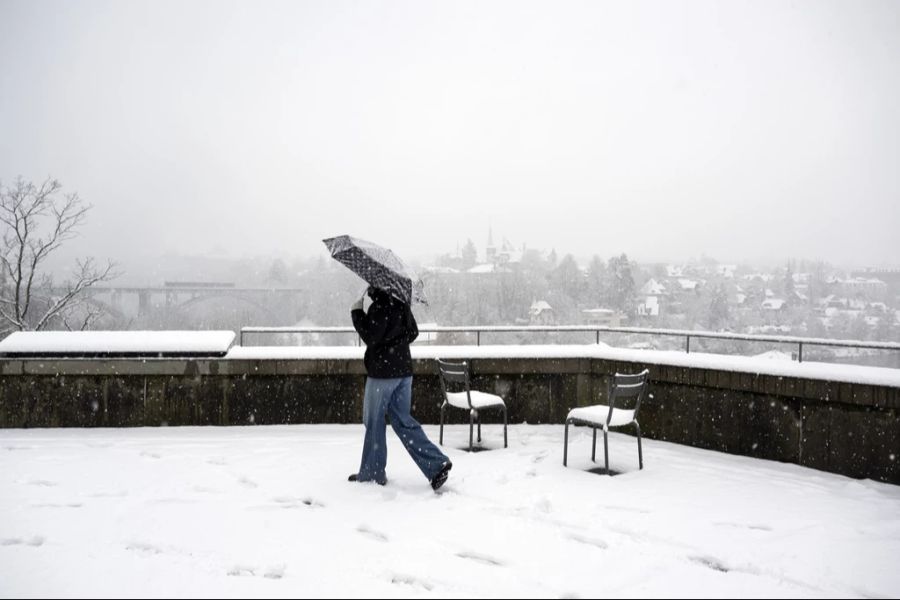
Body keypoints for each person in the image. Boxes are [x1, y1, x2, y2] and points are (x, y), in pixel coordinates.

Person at [348, 285, 452, 490]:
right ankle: (436, 464)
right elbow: (413, 332)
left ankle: (372, 472)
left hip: (382, 374)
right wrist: (396, 342)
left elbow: (370, 336)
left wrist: (357, 312)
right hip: (404, 372)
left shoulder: (379, 307)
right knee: (403, 421)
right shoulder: (401, 304)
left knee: (374, 422)